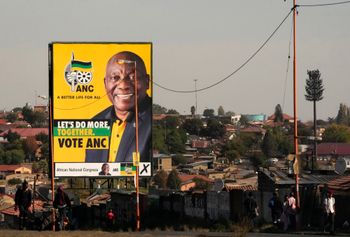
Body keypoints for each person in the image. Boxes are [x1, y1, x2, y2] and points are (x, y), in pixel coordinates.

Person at [85, 51, 152, 163]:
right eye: (115, 77)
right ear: (105, 84)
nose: (123, 86)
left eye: (132, 77)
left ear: (147, 81)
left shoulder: (152, 121)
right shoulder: (96, 123)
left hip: (137, 180)